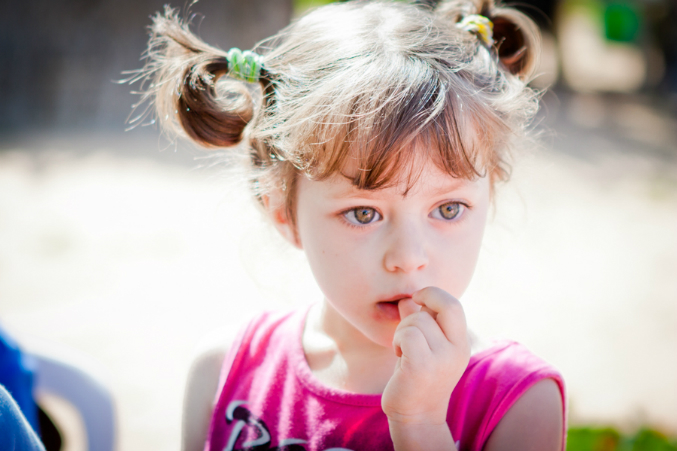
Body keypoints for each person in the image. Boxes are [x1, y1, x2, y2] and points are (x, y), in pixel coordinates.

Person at [131, 0, 566, 449]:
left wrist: (420, 425)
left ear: (488, 195)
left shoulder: (517, 404)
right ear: (282, 211)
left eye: (449, 208)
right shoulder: (224, 373)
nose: (408, 258)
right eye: (364, 213)